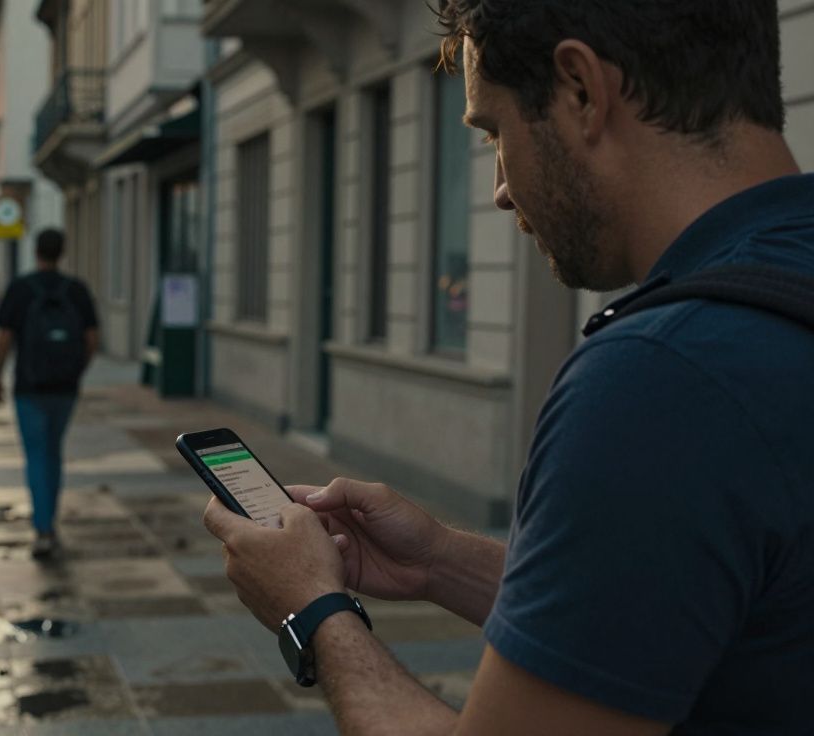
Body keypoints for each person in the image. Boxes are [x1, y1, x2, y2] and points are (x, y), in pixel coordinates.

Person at [203, 2, 814, 734]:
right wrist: (438, 561)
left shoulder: (660, 380)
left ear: (582, 90)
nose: (498, 188)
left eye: (494, 131)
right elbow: (682, 606)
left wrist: (315, 611)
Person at [0, 229, 99, 559]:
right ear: (62, 252)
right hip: (64, 388)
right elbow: (92, 338)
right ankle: (48, 519)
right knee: (54, 452)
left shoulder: (22, 288)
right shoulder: (76, 290)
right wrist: (77, 370)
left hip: (29, 387)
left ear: (35, 251)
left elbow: (4, 338)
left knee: (36, 455)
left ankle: (43, 528)